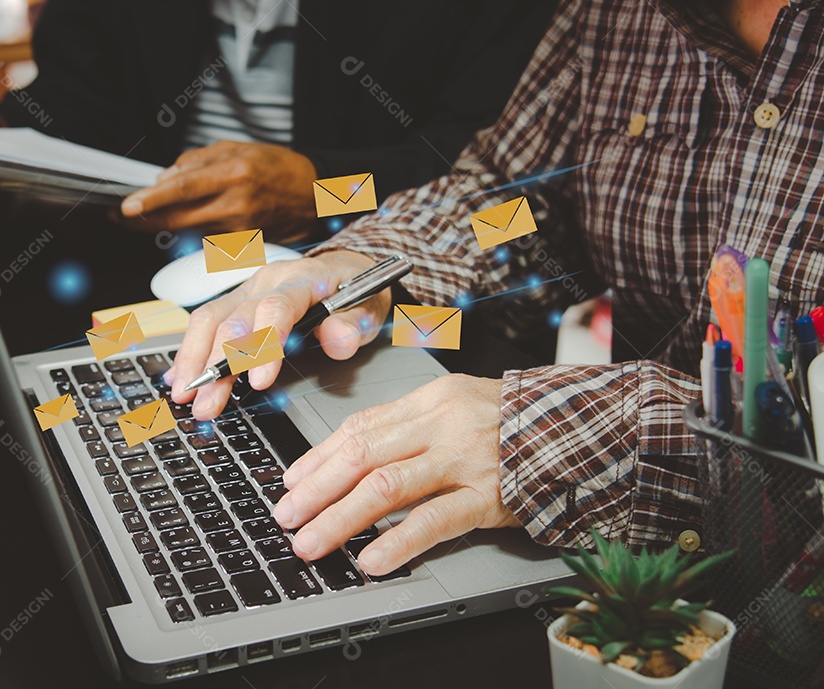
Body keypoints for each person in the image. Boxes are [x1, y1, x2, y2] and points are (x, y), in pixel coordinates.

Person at [167, 0, 824, 577]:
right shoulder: (623, 11)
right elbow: (516, 200)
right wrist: (365, 263)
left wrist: (554, 433)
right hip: (631, 580)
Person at [0, 0, 555, 238]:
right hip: (143, 250)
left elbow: (497, 189)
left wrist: (320, 190)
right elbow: (85, 101)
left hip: (364, 266)